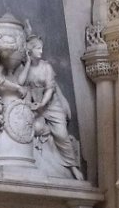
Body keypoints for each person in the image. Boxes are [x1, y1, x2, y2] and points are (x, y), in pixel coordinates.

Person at [24, 34, 83, 179]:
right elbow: (21, 84)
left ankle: (73, 167)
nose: (41, 51)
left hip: (51, 105)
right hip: (35, 106)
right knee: (32, 128)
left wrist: (42, 104)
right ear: (30, 51)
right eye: (37, 48)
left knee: (62, 135)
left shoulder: (46, 67)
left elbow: (50, 89)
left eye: (41, 48)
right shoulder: (25, 69)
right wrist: (26, 63)